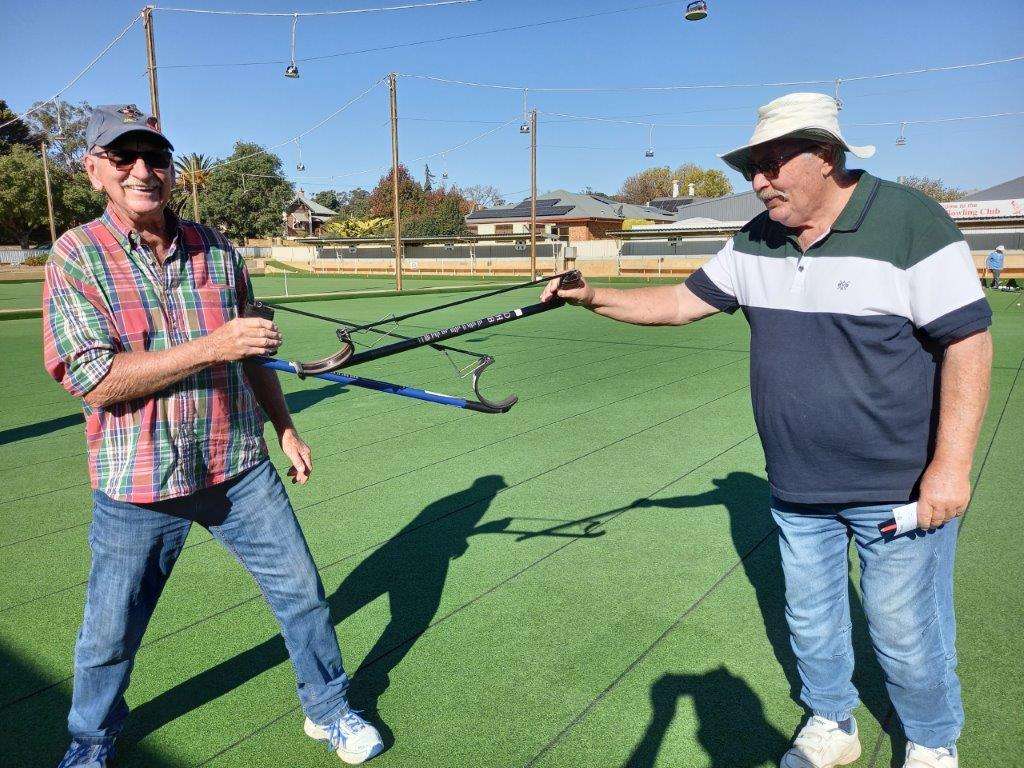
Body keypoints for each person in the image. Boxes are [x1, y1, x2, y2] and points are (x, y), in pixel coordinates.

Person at [542, 93, 992, 768]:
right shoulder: (755, 238)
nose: (759, 180)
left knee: (906, 630)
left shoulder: (910, 221)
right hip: (797, 484)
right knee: (812, 623)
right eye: (754, 166)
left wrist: (951, 467)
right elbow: (676, 303)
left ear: (828, 157)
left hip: (897, 484)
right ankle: (831, 724)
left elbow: (968, 342)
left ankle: (931, 740)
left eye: (775, 162)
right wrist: (594, 295)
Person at [44, 105, 383, 767]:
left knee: (304, 595)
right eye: (125, 158)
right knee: (108, 635)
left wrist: (285, 426)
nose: (145, 171)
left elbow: (249, 352)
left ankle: (329, 707)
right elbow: (98, 380)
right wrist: (214, 345)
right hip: (137, 481)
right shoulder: (74, 255)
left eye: (157, 158)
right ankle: (90, 742)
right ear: (95, 172)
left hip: (237, 465)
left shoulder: (217, 249)